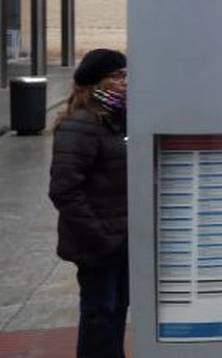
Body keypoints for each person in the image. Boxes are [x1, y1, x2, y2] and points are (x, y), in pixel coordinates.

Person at [48, 49, 128, 358]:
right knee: (99, 316)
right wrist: (102, 238)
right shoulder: (81, 124)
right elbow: (64, 190)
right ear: (95, 83)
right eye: (117, 76)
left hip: (118, 241)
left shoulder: (115, 121)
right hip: (98, 245)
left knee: (114, 313)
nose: (125, 83)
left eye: (126, 75)